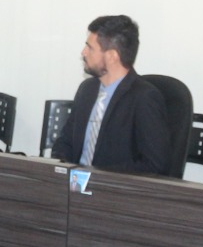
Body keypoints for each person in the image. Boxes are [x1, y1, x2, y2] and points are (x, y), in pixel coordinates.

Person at [51, 14, 169, 175]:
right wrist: (61, 170)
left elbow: (154, 164)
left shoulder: (144, 98)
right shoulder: (87, 90)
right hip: (74, 184)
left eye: (90, 48)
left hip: (112, 186)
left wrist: (98, 177)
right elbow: (65, 142)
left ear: (112, 56)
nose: (83, 52)